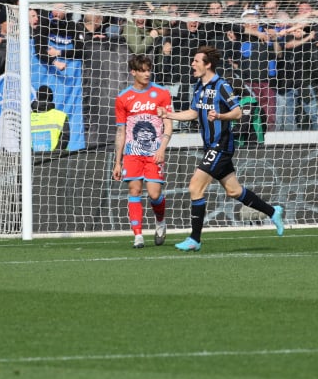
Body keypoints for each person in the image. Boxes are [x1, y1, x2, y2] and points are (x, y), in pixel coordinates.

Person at [158, 45, 285, 252]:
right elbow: (193, 112)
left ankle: (195, 239)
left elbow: (237, 113)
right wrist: (168, 115)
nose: (192, 64)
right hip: (210, 147)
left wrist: (220, 116)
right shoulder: (199, 87)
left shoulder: (222, 86)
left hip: (222, 146)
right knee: (234, 190)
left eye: (196, 61)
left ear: (208, 65)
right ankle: (273, 211)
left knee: (195, 187)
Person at [113, 54, 173, 248]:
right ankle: (138, 235)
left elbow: (168, 124)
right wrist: (117, 161)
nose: (147, 74)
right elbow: (121, 131)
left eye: (149, 70)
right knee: (134, 189)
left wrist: (162, 149)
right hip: (132, 152)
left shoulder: (162, 93)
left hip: (155, 151)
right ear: (134, 72)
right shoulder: (123, 97)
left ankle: (160, 222)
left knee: (155, 194)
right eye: (143, 71)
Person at [31, 85, 70, 151]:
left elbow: (22, 140)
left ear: (37, 97)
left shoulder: (27, 118)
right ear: (51, 98)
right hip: (58, 159)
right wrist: (54, 155)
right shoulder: (60, 116)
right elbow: (65, 138)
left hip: (34, 159)